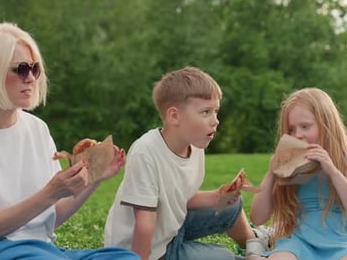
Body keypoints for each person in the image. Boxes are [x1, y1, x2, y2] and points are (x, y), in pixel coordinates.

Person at [0, 22, 140, 260]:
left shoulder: (37, 128)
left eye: (35, 69)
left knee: (125, 258)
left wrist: (94, 178)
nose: (31, 78)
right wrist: (49, 193)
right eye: (22, 69)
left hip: (43, 251)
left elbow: (51, 216)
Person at [103, 66, 269, 260]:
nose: (215, 121)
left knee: (231, 205)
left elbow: (179, 197)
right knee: (222, 256)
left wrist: (218, 196)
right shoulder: (146, 152)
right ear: (174, 116)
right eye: (205, 112)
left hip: (172, 229)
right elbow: (144, 224)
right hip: (145, 250)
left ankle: (254, 242)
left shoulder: (195, 145)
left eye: (216, 111)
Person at [248, 88, 347, 260]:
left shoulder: (345, 161)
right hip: (299, 240)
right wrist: (271, 174)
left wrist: (333, 171)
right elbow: (258, 217)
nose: (298, 135)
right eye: (291, 130)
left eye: (305, 126)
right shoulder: (289, 168)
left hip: (342, 241)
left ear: (326, 125)